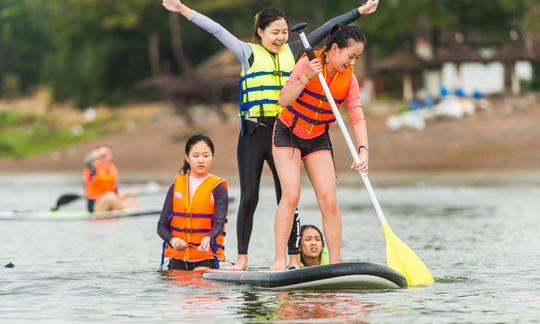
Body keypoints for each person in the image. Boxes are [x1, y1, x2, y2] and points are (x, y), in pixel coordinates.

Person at [162, 0, 379, 270]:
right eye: (275, 32)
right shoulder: (248, 52)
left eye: (285, 32)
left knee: (295, 196)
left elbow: (327, 29)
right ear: (260, 32)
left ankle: (298, 259)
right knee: (253, 196)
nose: (281, 37)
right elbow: (217, 30)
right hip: (260, 131)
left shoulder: (297, 51)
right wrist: (184, 10)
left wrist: (359, 11)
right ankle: (245, 259)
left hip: (300, 131)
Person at [271, 25, 369, 270]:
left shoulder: (350, 79)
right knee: (291, 195)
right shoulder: (308, 63)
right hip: (288, 133)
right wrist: (306, 77)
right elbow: (283, 100)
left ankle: (335, 265)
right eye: (351, 56)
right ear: (334, 49)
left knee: (329, 201)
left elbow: (356, 114)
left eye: (357, 57)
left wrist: (363, 150)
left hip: (317, 138)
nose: (353, 62)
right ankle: (279, 260)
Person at [157, 134, 229, 271]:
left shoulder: (218, 188)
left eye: (206, 156)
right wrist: (173, 240)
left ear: (212, 157)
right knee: (178, 285)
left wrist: (209, 237)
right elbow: (161, 226)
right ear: (187, 158)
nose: (201, 160)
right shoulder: (176, 187)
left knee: (198, 281)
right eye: (196, 156)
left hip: (205, 258)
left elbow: (219, 223)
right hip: (177, 259)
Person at [83, 145, 137, 212]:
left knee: (131, 195)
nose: (104, 157)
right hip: (95, 203)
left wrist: (122, 193)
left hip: (112, 200)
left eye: (106, 154)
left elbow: (117, 188)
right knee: (110, 195)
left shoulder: (112, 169)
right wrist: (98, 152)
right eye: (102, 155)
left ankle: (127, 211)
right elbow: (87, 160)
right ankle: (125, 210)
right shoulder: (93, 167)